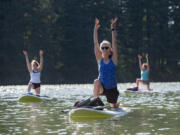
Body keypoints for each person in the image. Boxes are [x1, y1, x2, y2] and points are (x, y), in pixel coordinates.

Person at [93, 18, 119, 108]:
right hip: (102, 88)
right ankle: (96, 102)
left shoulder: (114, 60)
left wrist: (112, 28)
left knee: (114, 106)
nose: (104, 49)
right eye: (103, 48)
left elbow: (114, 43)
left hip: (112, 89)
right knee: (96, 81)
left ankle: (116, 105)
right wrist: (95, 29)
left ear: (110, 50)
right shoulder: (99, 60)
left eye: (106, 47)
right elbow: (95, 43)